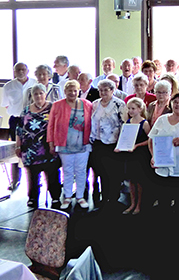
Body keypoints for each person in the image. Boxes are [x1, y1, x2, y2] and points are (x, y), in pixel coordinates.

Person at [47, 80, 93, 210]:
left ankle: (80, 197)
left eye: (75, 90)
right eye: (69, 90)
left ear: (79, 91)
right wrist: (51, 143)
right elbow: (50, 126)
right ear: (65, 91)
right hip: (64, 144)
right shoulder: (57, 105)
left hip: (83, 144)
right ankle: (67, 196)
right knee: (67, 171)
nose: (72, 93)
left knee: (81, 171)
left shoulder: (87, 104)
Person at [16, 83, 61, 208]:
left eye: (41, 93)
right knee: (32, 176)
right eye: (35, 94)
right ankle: (33, 197)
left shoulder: (52, 107)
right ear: (32, 96)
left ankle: (56, 197)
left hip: (48, 147)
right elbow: (19, 129)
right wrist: (18, 145)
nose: (38, 96)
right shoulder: (26, 110)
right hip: (30, 149)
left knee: (52, 173)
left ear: (45, 94)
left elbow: (58, 126)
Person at [89, 79, 128, 208]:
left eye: (106, 90)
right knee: (101, 171)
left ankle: (114, 197)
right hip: (98, 142)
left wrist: (121, 144)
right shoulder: (95, 104)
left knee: (114, 172)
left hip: (114, 143)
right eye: (101, 90)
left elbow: (124, 124)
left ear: (112, 90)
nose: (103, 92)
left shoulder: (119, 104)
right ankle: (105, 197)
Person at [2, 62, 37, 191]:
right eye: (18, 70)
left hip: (32, 120)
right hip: (15, 120)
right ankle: (15, 180)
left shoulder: (34, 83)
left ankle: (34, 181)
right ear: (14, 72)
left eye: (23, 69)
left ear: (28, 71)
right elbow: (6, 105)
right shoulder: (8, 86)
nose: (21, 72)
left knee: (33, 149)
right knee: (16, 149)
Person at [120, 98, 151, 215]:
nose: (131, 111)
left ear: (140, 109)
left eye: (133, 108)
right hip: (130, 155)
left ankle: (139, 205)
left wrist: (137, 145)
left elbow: (150, 140)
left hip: (140, 155)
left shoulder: (144, 123)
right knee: (131, 180)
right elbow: (123, 138)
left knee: (139, 181)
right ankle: (132, 203)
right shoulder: (128, 122)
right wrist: (120, 147)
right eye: (129, 109)